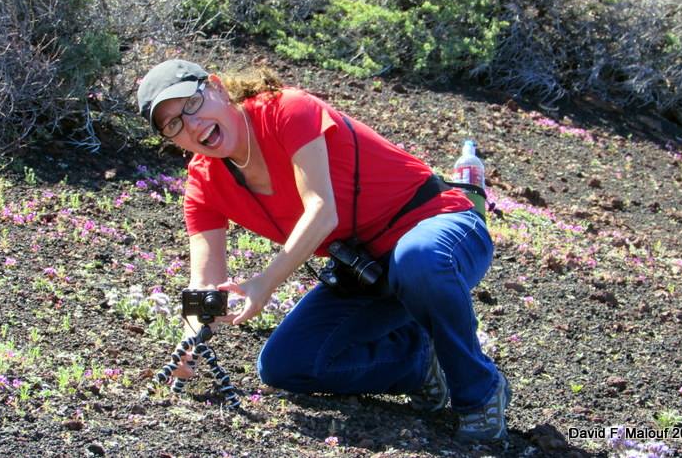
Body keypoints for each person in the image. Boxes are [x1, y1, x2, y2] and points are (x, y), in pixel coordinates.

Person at [137, 59, 511, 442]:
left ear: (216, 86)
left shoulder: (285, 109)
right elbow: (205, 283)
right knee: (287, 364)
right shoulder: (203, 185)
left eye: (193, 104)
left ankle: (478, 393)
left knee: (418, 260)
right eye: (174, 125)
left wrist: (263, 284)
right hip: (370, 269)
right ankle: (418, 363)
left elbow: (321, 212)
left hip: (439, 227)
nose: (192, 125)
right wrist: (189, 344)